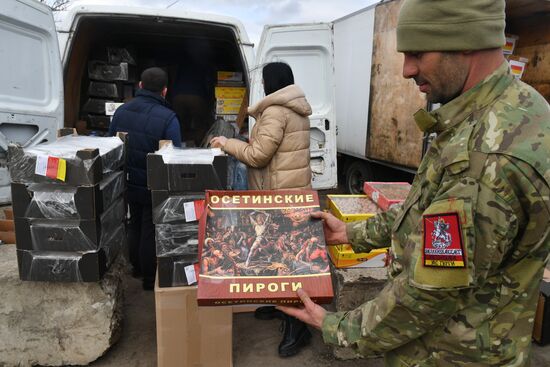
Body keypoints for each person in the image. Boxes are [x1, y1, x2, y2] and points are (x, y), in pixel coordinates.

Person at [278, 0, 550, 365]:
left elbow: (428, 294)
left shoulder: (489, 159)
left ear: (465, 40)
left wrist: (337, 327)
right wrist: (352, 234)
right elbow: (425, 213)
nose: (407, 70)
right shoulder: (500, 111)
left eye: (418, 53)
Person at [210, 62, 313, 357]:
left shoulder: (276, 112)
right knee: (280, 256)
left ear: (270, 84)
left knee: (286, 261)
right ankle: (281, 307)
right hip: (290, 193)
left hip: (280, 198)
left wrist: (227, 143)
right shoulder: (295, 109)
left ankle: (298, 327)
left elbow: (257, 156)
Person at [109, 67, 182, 290]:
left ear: (140, 86)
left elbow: (111, 144)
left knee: (134, 223)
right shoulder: (169, 118)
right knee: (150, 226)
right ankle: (150, 280)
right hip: (154, 182)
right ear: (165, 91)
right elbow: (175, 152)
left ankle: (136, 269)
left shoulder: (121, 112)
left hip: (128, 179)